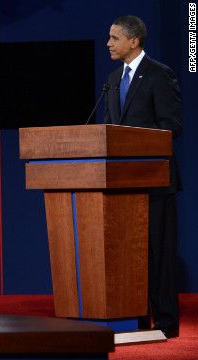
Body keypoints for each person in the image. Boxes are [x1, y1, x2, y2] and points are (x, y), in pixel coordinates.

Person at [104, 15, 182, 338]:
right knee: (129, 254)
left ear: (133, 41)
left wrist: (131, 137)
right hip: (121, 185)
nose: (108, 43)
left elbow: (171, 126)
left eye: (114, 38)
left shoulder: (159, 76)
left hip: (154, 182)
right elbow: (108, 129)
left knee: (158, 255)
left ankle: (165, 321)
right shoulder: (111, 80)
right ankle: (135, 319)